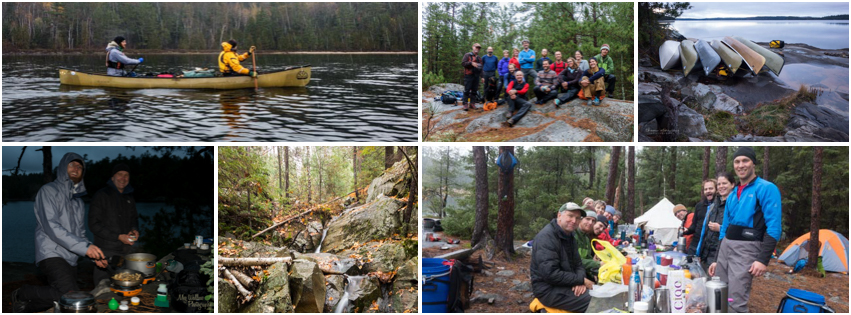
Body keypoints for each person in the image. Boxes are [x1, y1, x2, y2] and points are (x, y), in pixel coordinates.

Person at [12, 153, 107, 312]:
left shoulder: (78, 203)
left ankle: (26, 308)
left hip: (71, 258)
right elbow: (51, 226)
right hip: (51, 252)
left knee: (62, 299)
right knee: (68, 294)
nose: (76, 169)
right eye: (72, 165)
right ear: (63, 167)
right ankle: (23, 293)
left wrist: (93, 254)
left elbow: (81, 234)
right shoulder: (48, 191)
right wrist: (84, 248)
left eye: (80, 167)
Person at [708, 147, 782, 313]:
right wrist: (716, 258)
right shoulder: (733, 193)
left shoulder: (766, 188)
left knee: (736, 298)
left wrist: (763, 259)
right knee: (718, 290)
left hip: (747, 248)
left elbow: (774, 226)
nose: (741, 165)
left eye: (745, 160)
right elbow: (724, 228)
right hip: (726, 246)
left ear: (753, 163)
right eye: (737, 161)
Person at [530, 202, 592, 313]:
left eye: (578, 218)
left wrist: (579, 281)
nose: (574, 221)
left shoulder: (570, 235)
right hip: (548, 290)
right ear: (559, 215)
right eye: (570, 216)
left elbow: (578, 264)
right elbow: (550, 274)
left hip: (566, 283)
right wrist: (580, 280)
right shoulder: (546, 237)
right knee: (594, 301)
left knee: (596, 293)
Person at [89, 163, 140, 285]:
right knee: (103, 288)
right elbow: (93, 224)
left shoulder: (129, 196)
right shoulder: (101, 195)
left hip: (125, 251)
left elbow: (134, 219)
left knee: (123, 286)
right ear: (112, 178)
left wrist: (134, 229)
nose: (123, 178)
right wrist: (117, 237)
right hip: (105, 253)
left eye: (126, 175)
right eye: (120, 174)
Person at [695, 173, 733, 274]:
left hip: (721, 254)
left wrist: (720, 228)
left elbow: (738, 230)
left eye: (724, 183)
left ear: (732, 185)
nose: (721, 186)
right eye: (719, 184)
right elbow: (704, 231)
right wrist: (700, 253)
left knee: (717, 286)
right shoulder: (714, 205)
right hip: (706, 254)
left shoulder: (735, 203)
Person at [685, 179, 717, 255]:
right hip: (695, 244)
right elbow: (694, 226)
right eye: (706, 189)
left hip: (709, 248)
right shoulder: (699, 206)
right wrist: (685, 230)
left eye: (711, 188)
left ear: (716, 189)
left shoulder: (720, 206)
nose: (708, 191)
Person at [573, 210, 602, 282]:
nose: (590, 223)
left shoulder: (586, 238)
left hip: (583, 273)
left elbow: (588, 258)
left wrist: (593, 274)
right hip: (574, 276)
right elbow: (576, 261)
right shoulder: (573, 235)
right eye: (588, 219)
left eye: (593, 221)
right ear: (580, 219)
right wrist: (598, 264)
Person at [461, 43, 483, 111]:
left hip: (476, 76)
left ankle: (472, 103)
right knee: (467, 90)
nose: (477, 49)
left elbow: (481, 68)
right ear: (473, 47)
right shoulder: (467, 55)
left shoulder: (479, 58)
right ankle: (465, 104)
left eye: (478, 48)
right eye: (476, 47)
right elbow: (463, 63)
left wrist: (482, 77)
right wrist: (471, 63)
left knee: (474, 90)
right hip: (468, 75)